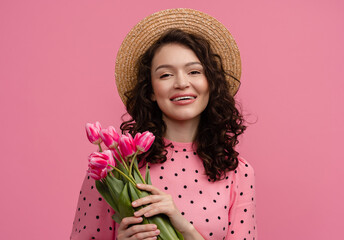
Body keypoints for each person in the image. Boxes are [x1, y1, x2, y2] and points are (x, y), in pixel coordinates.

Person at [70, 8, 257, 240]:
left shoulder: (238, 172)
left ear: (211, 83)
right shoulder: (113, 167)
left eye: (194, 71)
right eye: (166, 75)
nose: (181, 83)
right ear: (150, 91)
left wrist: (184, 228)